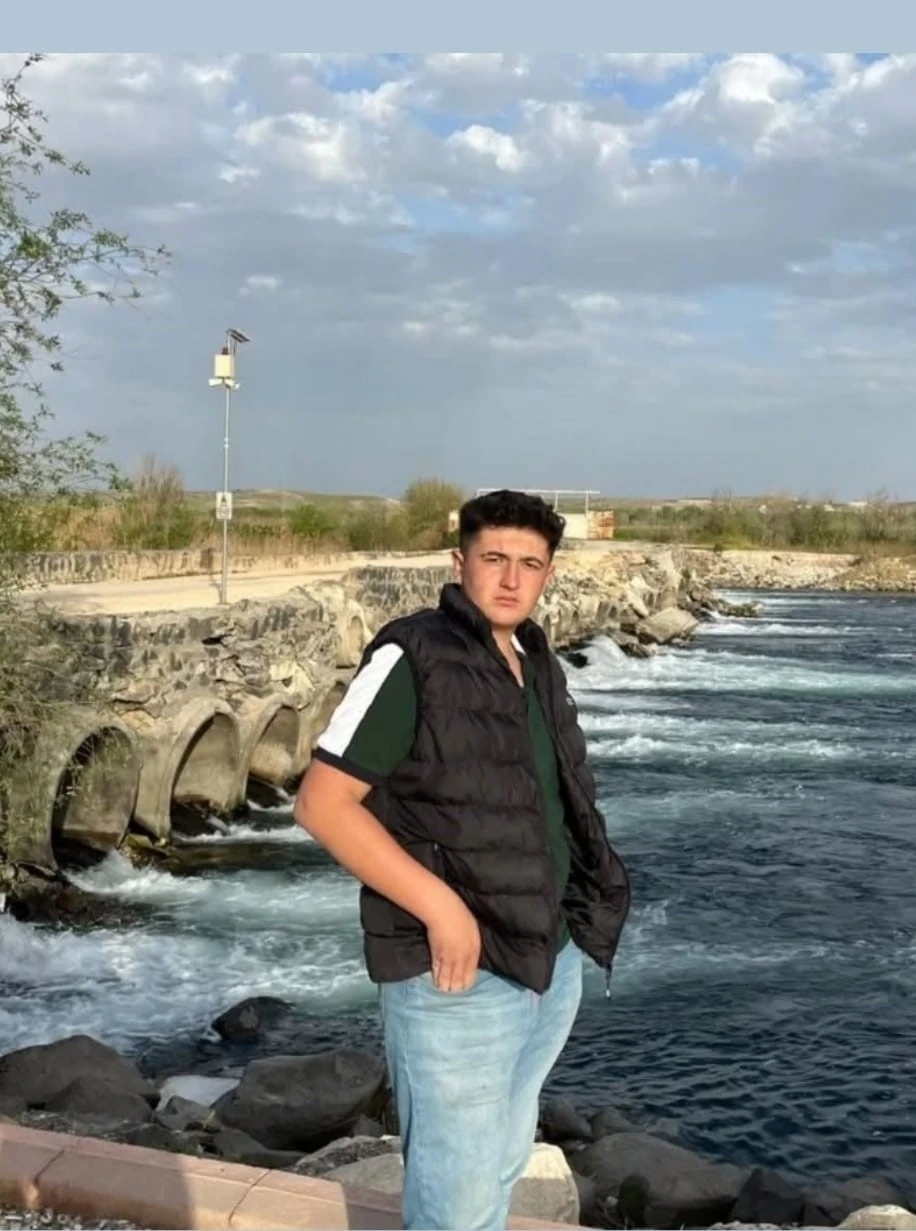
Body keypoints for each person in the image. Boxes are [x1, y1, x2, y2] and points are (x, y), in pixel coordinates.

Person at [294, 488, 630, 1231]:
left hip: (548, 960)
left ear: (549, 574)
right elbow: (322, 803)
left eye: (530, 564)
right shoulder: (411, 656)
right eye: (494, 558)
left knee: (499, 1166)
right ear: (460, 562)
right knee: (456, 1202)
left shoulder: (536, 659)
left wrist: (588, 905)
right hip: (457, 977)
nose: (511, 578)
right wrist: (442, 908)